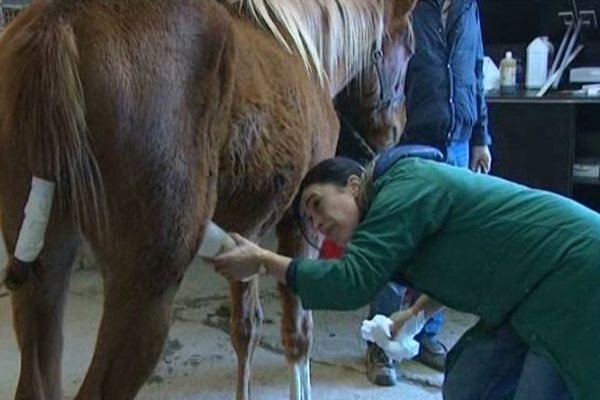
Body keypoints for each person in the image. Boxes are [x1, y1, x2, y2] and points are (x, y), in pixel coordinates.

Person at [209, 149, 600, 400]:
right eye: (309, 222)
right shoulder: (397, 201)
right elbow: (462, 260)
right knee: (469, 383)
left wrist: (263, 259)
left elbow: (350, 283)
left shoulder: (403, 189)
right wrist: (416, 315)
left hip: (575, 277)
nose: (317, 223)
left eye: (317, 204)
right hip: (525, 293)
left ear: (354, 184)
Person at [359, 0, 494, 381]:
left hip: (458, 143)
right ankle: (380, 343)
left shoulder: (469, 8)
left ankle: (423, 336)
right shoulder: (408, 6)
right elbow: (381, 65)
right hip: (411, 138)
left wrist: (481, 136)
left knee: (445, 246)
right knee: (397, 242)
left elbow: (477, 71)